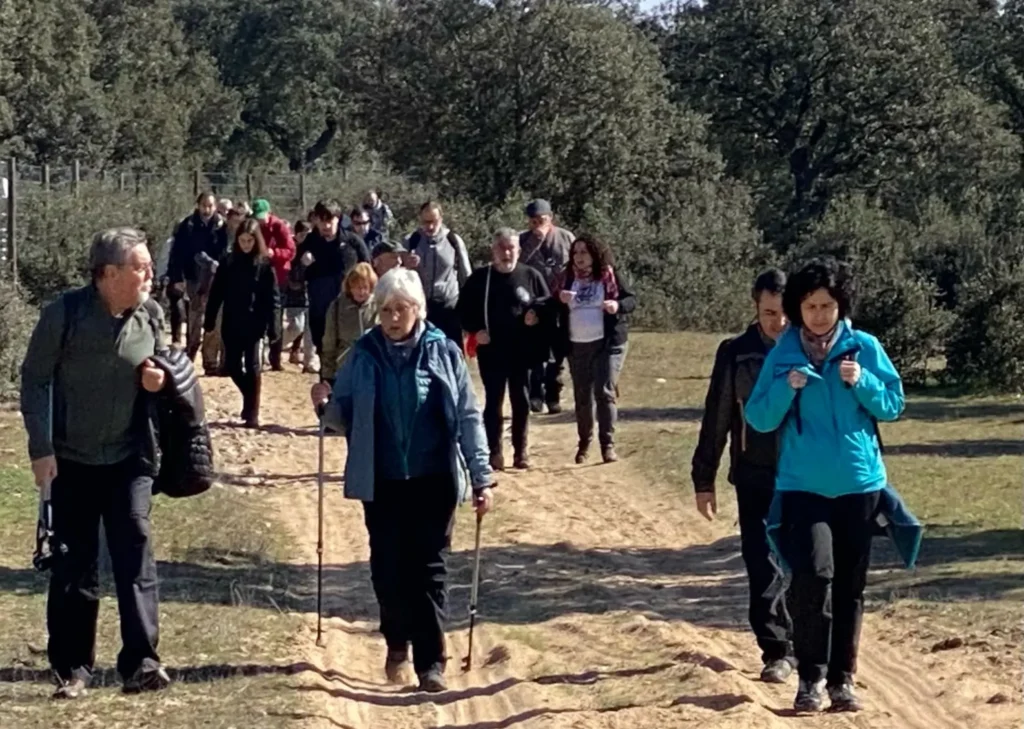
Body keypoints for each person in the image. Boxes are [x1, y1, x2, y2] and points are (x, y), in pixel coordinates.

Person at [309, 268, 494, 694]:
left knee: (430, 569)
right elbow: (343, 415)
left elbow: (468, 415)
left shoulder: (443, 351)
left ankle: (432, 662)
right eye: (386, 310)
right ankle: (396, 642)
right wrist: (323, 405)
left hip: (434, 479)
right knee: (388, 569)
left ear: (418, 310)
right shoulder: (364, 354)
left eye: (401, 309)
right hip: (383, 480)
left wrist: (481, 475)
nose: (393, 318)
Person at [745, 257, 905, 714]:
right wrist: (786, 387)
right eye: (810, 305)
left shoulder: (863, 346)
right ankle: (809, 678)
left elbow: (894, 404)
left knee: (850, 587)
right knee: (813, 579)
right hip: (802, 486)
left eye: (827, 305)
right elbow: (758, 416)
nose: (819, 314)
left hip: (859, 484)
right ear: (798, 307)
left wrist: (864, 382)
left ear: (841, 305)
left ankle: (842, 681)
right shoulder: (786, 351)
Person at [20, 228, 171, 699]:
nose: (149, 274)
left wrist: (157, 379)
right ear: (108, 274)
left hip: (129, 457)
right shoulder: (64, 315)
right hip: (71, 460)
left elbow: (168, 375)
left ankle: (141, 662)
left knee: (135, 549)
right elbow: (35, 380)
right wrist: (42, 449)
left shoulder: (151, 315)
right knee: (74, 563)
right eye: (139, 267)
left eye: (148, 266)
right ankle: (73, 668)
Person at [690, 268, 795, 684]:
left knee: (805, 562)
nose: (778, 322)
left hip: (805, 474)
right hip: (753, 473)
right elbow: (717, 416)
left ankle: (809, 645)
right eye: (770, 313)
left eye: (785, 313)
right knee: (762, 561)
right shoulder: (736, 352)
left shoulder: (809, 348)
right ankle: (777, 650)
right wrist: (704, 478)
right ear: (756, 307)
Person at [458, 229, 550, 471]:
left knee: (521, 400)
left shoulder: (531, 276)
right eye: (502, 248)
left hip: (522, 351)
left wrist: (537, 315)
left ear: (519, 250)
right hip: (492, 352)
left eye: (511, 248)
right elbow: (462, 311)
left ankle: (521, 452)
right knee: (493, 402)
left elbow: (548, 304)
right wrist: (475, 331)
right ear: (493, 250)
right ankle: (494, 452)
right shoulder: (480, 279)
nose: (507, 252)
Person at [554, 234, 635, 465]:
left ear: (595, 255)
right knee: (582, 396)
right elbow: (551, 303)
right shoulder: (566, 277)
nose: (579, 257)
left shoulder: (609, 275)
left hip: (608, 343)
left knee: (604, 391)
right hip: (577, 344)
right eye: (575, 252)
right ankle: (584, 444)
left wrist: (616, 305)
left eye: (584, 252)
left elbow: (631, 300)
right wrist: (559, 298)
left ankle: (607, 445)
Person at [205, 218, 280, 428]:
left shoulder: (265, 266)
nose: (246, 244)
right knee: (232, 366)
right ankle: (250, 398)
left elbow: (273, 299)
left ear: (256, 241)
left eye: (250, 240)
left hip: (255, 323)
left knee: (254, 365)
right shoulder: (228, 262)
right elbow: (216, 293)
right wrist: (210, 319)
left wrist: (275, 328)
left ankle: (253, 414)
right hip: (232, 321)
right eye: (242, 240)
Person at [519, 199, 575, 414]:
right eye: (533, 221)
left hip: (559, 303)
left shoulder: (566, 237)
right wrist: (535, 242)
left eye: (541, 220)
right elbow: (519, 265)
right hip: (533, 304)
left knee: (557, 354)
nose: (537, 225)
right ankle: (535, 395)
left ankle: (553, 395)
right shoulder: (523, 239)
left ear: (550, 218)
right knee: (534, 353)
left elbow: (574, 267)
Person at [298, 200, 370, 363]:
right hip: (320, 310)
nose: (326, 225)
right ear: (315, 220)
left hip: (349, 309)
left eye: (330, 220)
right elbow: (295, 276)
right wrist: (302, 264)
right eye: (321, 220)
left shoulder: (353, 242)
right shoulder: (309, 243)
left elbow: (368, 271)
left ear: (338, 218)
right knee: (326, 355)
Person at [167, 192, 228, 373]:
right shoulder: (187, 225)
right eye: (204, 205)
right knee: (195, 318)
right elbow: (176, 254)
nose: (207, 209)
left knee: (214, 320)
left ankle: (210, 362)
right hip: (194, 278)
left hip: (217, 280)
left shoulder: (222, 226)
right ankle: (189, 356)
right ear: (198, 205)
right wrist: (176, 278)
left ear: (215, 206)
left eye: (210, 205)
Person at [403, 200, 472, 348]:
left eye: (434, 221)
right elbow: (399, 276)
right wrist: (406, 265)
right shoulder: (411, 241)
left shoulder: (453, 241)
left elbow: (466, 276)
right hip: (421, 308)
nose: (430, 226)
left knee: (452, 354)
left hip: (449, 308)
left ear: (441, 219)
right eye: (425, 222)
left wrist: (468, 308)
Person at [252, 198, 295, 371]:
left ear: (269, 213)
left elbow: (290, 251)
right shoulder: (253, 226)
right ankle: (259, 355)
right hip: (259, 276)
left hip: (279, 276)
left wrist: (273, 253)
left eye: (263, 217)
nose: (261, 220)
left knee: (276, 316)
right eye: (257, 217)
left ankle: (275, 358)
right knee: (259, 314)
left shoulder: (279, 226)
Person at [320, 263, 379, 383]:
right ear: (350, 287)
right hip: (344, 367)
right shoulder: (337, 307)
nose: (361, 291)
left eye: (365, 287)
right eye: (357, 287)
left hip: (372, 369)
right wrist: (327, 374)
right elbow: (329, 343)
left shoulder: (379, 307)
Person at [284, 220, 317, 371]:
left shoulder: (314, 248)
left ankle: (309, 361)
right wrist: (302, 267)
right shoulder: (292, 248)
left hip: (311, 293)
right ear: (296, 234)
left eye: (308, 234)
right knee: (297, 326)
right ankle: (275, 345)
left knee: (311, 329)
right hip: (293, 294)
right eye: (303, 234)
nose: (306, 237)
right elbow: (289, 271)